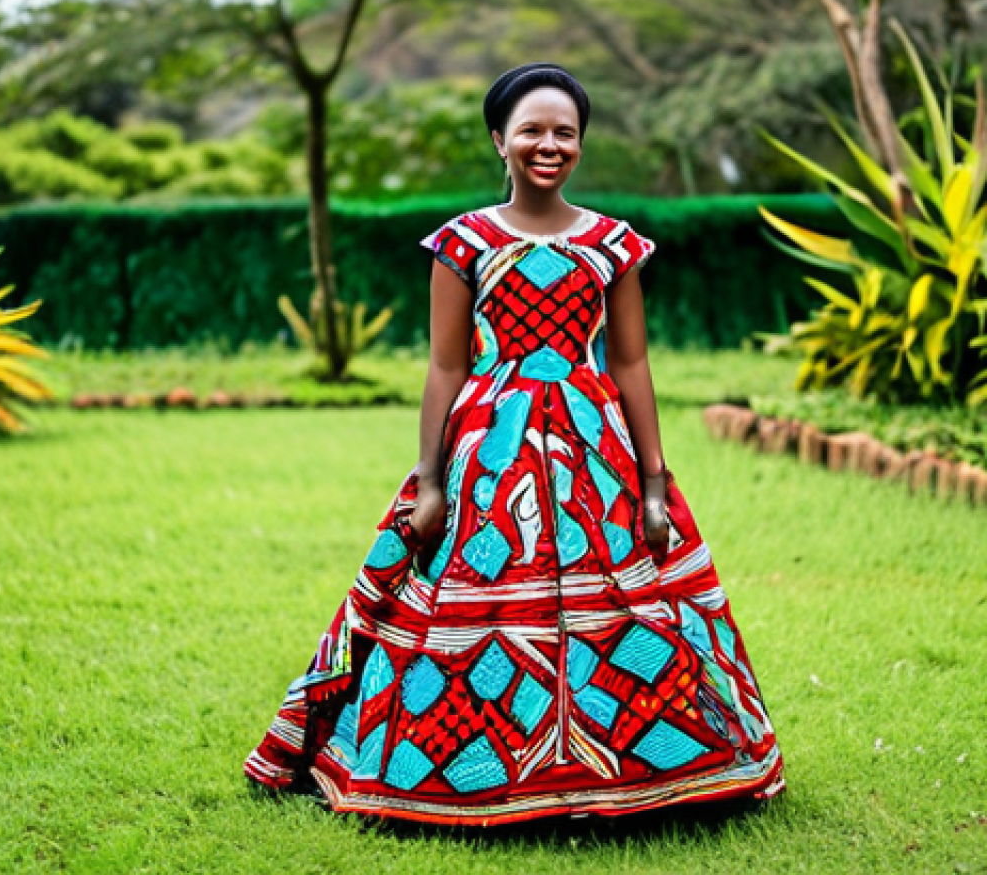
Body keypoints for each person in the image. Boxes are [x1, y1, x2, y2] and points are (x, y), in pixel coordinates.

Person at [243, 62, 785, 826]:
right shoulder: (463, 243)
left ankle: (635, 773)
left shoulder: (612, 245)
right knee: (469, 603)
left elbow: (630, 364)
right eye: (532, 130)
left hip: (597, 457)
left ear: (581, 144)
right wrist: (431, 482)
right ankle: (465, 773)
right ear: (500, 140)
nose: (549, 145)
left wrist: (655, 483)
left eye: (566, 132)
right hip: (489, 456)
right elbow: (446, 366)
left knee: (631, 606)